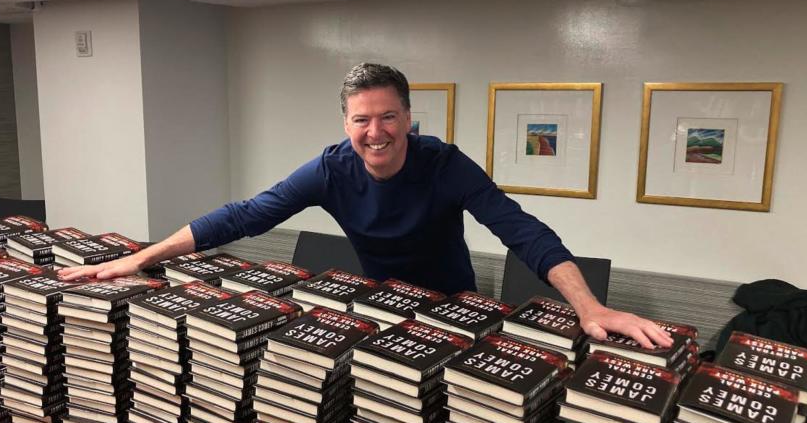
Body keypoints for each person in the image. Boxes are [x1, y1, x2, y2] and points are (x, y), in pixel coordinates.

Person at [60, 63, 672, 349]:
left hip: (454, 308)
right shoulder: (331, 169)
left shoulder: (445, 165)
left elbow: (525, 232)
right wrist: (138, 259)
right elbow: (243, 216)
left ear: (408, 118)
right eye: (362, 120)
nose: (375, 131)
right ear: (346, 123)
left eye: (388, 117)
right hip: (378, 307)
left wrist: (590, 307)